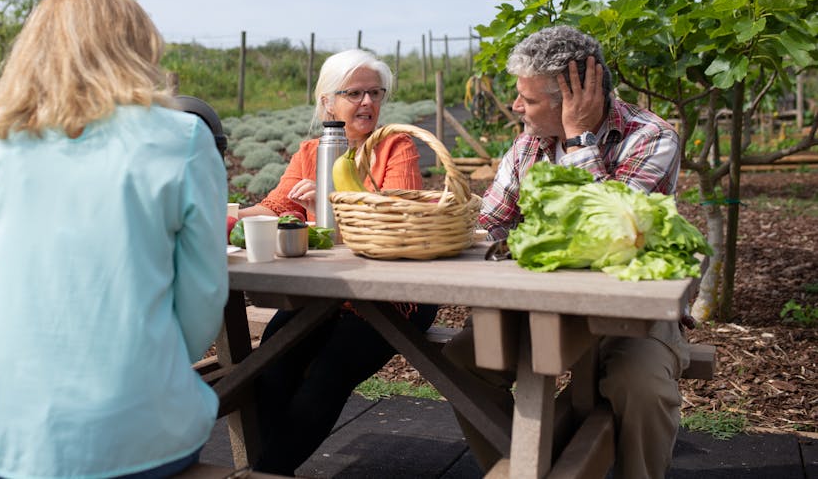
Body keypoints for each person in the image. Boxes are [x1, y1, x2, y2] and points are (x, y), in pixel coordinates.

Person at [0, 0, 229, 479]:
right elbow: (204, 294)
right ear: (137, 47)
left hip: (1, 428)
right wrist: (147, 366)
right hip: (138, 432)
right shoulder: (182, 138)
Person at [443, 25, 688, 479]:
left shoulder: (651, 137)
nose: (516, 107)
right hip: (537, 308)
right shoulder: (527, 145)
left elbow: (610, 230)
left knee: (641, 385)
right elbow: (488, 225)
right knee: (464, 363)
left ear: (575, 98)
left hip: (631, 311)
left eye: (528, 100)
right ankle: (522, 466)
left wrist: (578, 142)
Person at [238, 49, 438, 476]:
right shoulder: (312, 151)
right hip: (329, 293)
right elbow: (275, 207)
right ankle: (273, 468)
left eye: (374, 93)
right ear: (328, 102)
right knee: (271, 364)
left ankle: (265, 472)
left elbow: (393, 220)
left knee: (327, 376)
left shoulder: (394, 147)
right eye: (354, 93)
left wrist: (332, 204)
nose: (367, 102)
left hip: (394, 297)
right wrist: (227, 217)